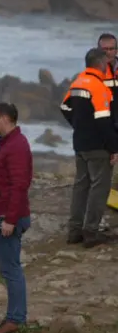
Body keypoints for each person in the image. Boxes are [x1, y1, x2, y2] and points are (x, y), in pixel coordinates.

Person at [0, 102, 32, 333]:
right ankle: (14, 315)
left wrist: (10, 219)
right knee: (9, 268)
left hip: (8, 216)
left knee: (11, 269)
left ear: (4, 118)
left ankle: (15, 319)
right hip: (4, 214)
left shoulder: (16, 146)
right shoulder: (11, 144)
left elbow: (19, 185)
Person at [61, 47, 118, 247]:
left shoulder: (78, 81)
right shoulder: (99, 87)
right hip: (98, 146)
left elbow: (65, 107)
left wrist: (79, 125)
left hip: (80, 143)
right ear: (100, 64)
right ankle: (91, 232)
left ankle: (74, 231)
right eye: (106, 62)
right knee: (99, 188)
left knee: (81, 186)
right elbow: (104, 122)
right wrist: (114, 148)